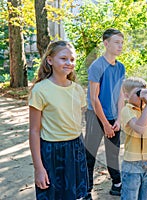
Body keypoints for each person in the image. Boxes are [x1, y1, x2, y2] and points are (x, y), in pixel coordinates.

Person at [28, 41, 88, 199]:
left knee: (76, 196)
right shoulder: (40, 90)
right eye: (63, 58)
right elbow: (34, 130)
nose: (69, 63)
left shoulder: (78, 89)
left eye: (72, 59)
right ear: (50, 60)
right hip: (51, 152)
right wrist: (38, 168)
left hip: (76, 149)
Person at [84, 28, 125, 199]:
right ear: (106, 43)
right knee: (90, 154)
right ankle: (86, 189)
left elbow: (121, 94)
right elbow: (94, 98)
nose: (120, 46)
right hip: (95, 116)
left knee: (113, 153)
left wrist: (119, 119)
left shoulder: (121, 67)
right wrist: (105, 124)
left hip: (114, 117)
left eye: (122, 43)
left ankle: (117, 184)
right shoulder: (97, 66)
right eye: (116, 42)